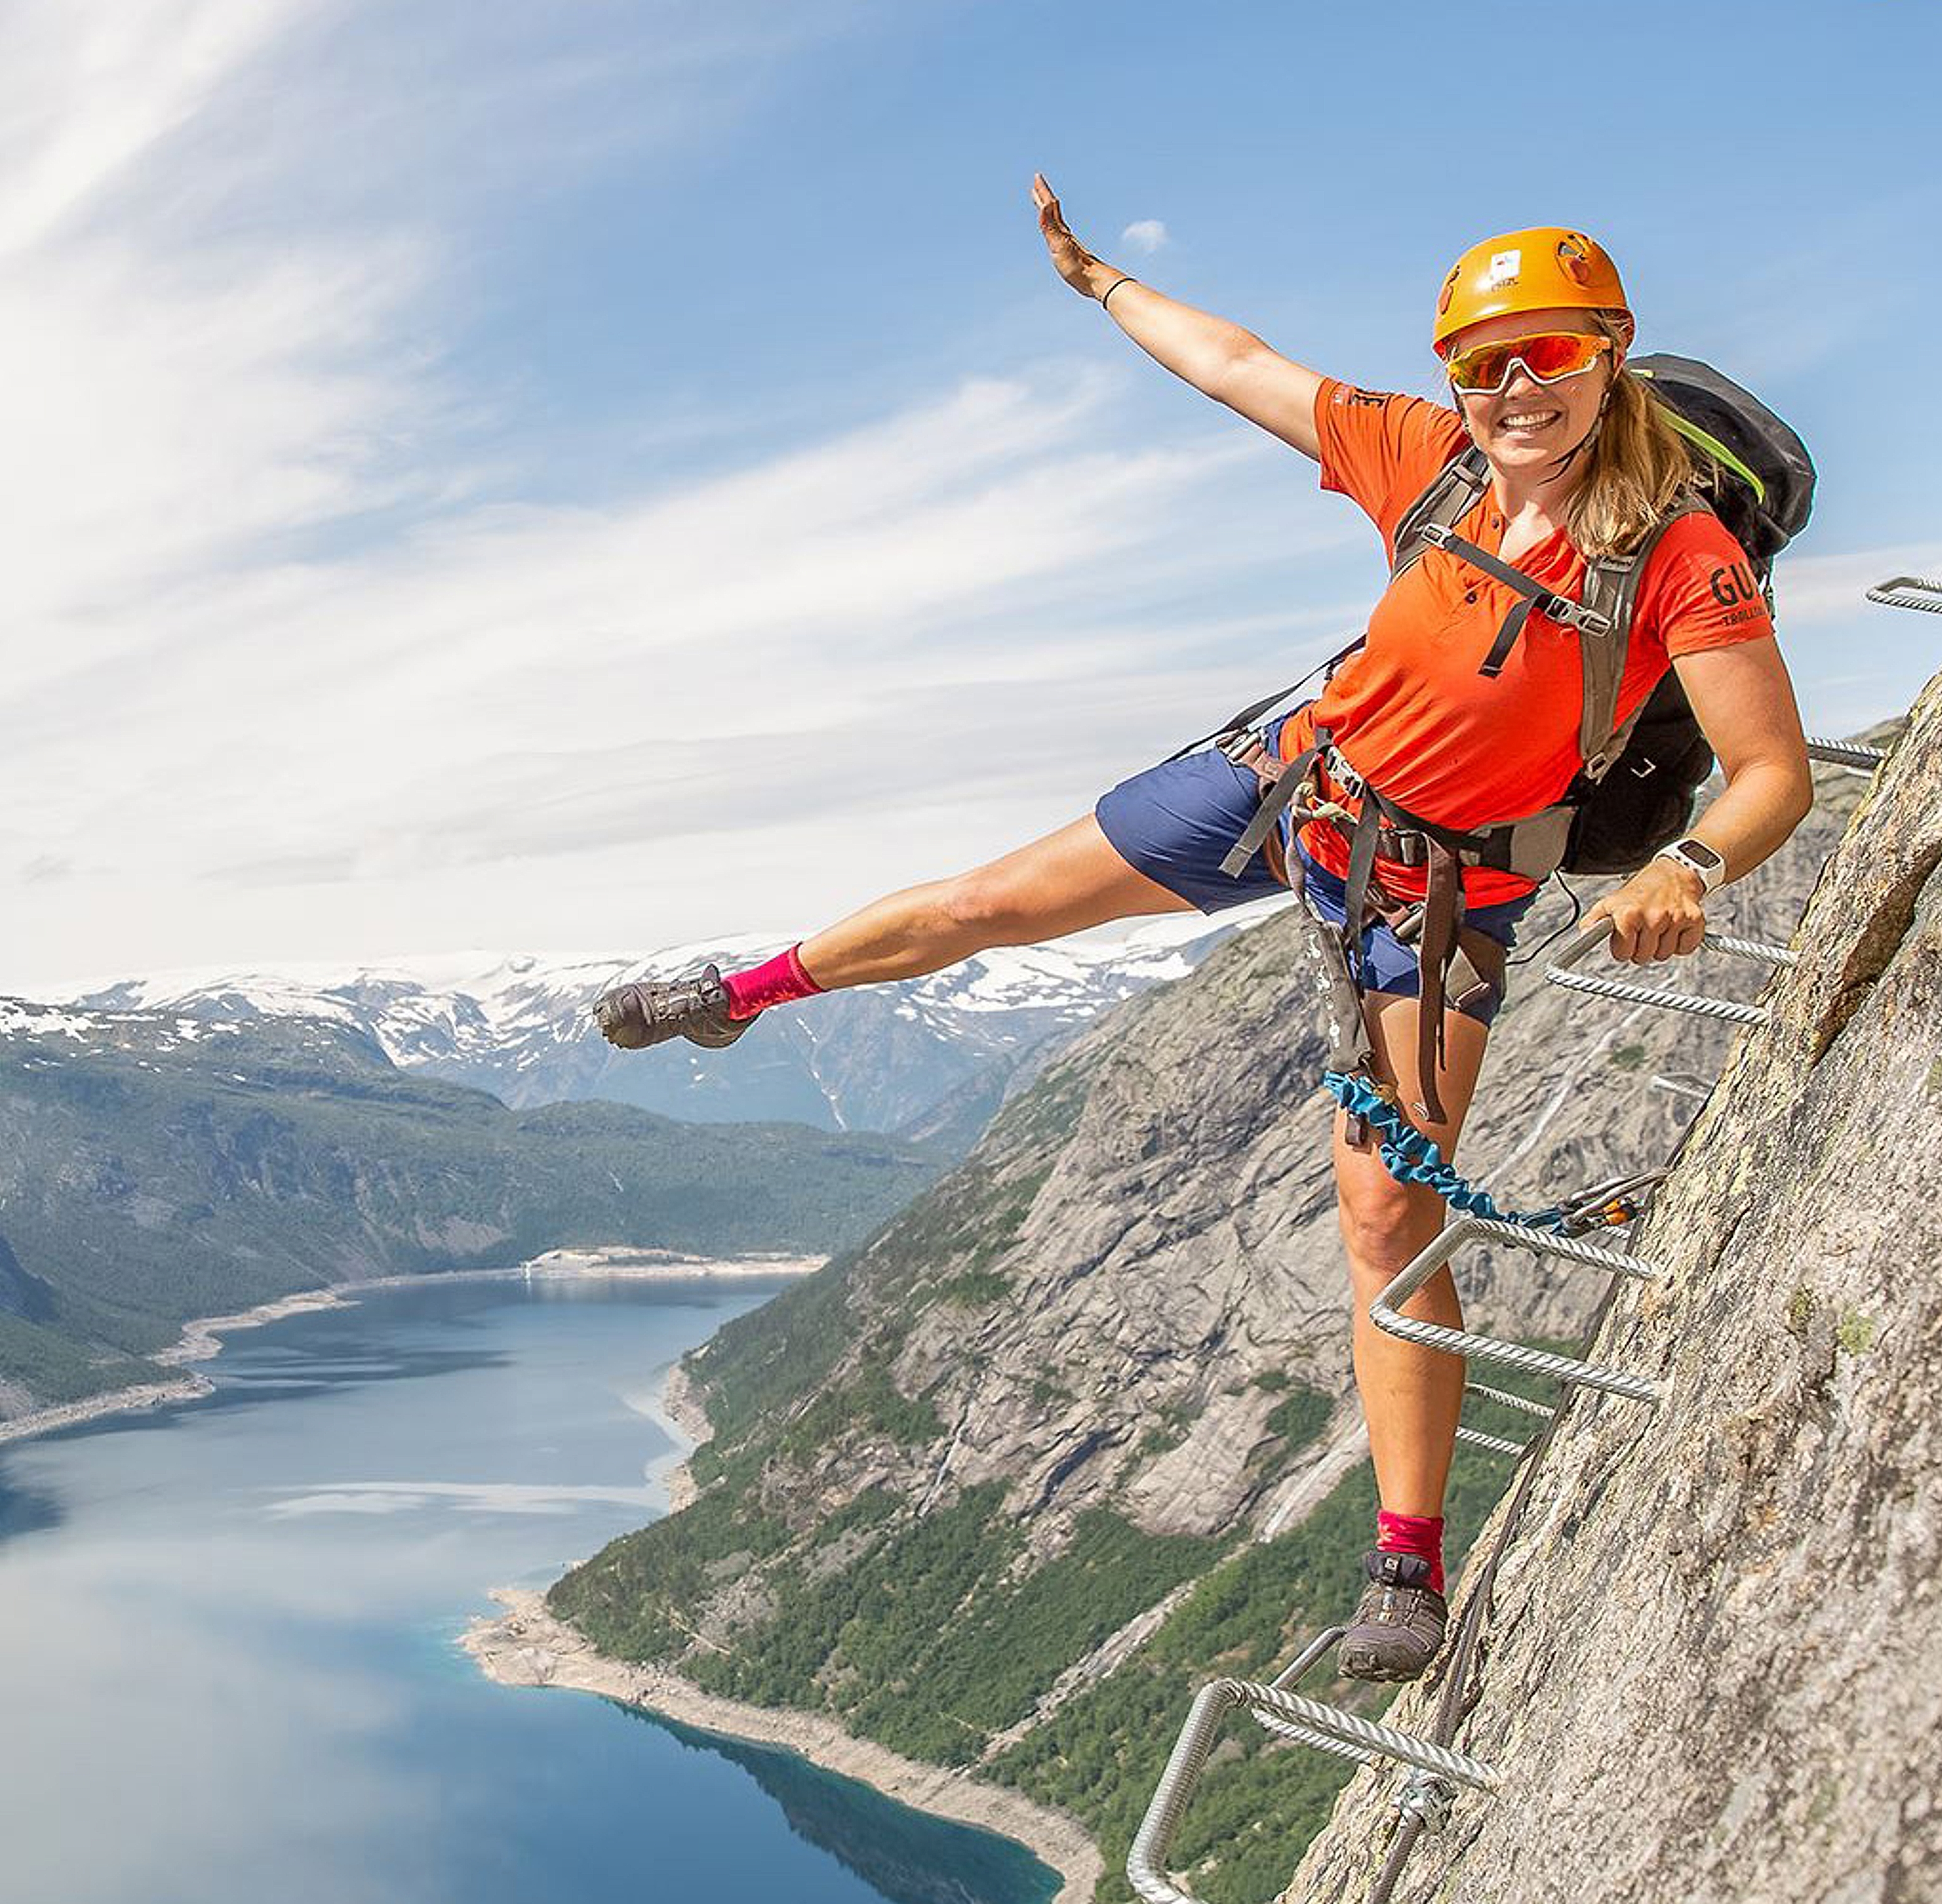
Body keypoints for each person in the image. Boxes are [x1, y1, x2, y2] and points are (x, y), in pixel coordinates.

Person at [593, 178, 1814, 1681]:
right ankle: (743, 990)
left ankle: (1406, 1565)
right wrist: (1102, 283)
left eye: (1547, 356)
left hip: (1441, 893)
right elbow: (1241, 366)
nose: (1512, 390)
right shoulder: (1427, 462)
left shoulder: (1681, 554)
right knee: (990, 903)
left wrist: (1687, 863)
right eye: (1483, 363)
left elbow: (1771, 772)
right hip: (1292, 786)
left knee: (1385, 1213)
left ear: (1610, 356)